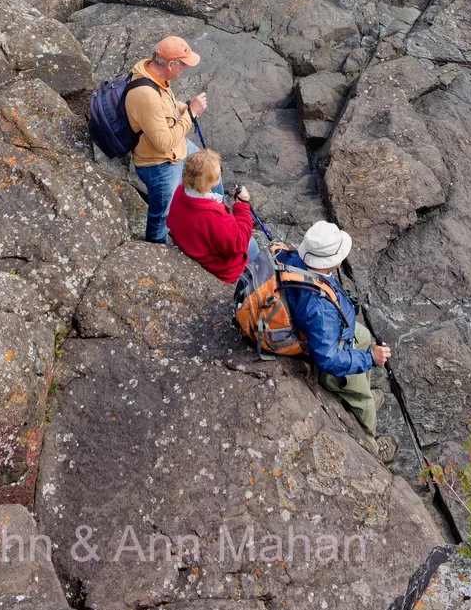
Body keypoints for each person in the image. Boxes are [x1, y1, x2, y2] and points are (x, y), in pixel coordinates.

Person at [280, 221, 396, 462]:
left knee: (363, 336)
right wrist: (371, 358)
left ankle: (359, 388)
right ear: (331, 260)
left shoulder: (294, 258)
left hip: (337, 331)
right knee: (365, 403)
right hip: (332, 352)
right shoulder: (320, 308)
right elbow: (328, 357)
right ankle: (371, 443)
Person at [125, 36, 221, 244]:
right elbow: (164, 143)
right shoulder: (146, 94)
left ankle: (216, 215)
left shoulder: (153, 73)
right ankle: (157, 253)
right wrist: (191, 114)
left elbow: (166, 103)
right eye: (183, 66)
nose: (184, 70)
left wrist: (182, 108)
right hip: (158, 163)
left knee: (213, 172)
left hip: (176, 147)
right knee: (161, 217)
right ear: (170, 64)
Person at [167, 148, 258, 282]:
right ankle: (254, 278)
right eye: (218, 171)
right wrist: (243, 205)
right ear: (209, 182)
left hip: (192, 248)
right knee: (252, 245)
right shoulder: (212, 214)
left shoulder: (181, 191)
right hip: (221, 269)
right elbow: (238, 245)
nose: (221, 171)